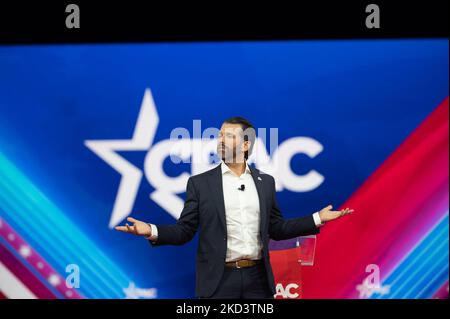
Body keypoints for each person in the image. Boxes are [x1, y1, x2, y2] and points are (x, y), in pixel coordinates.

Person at [116, 116, 353, 298]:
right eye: (219, 135)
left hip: (258, 280)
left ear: (246, 143)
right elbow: (184, 231)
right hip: (218, 282)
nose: (220, 140)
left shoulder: (265, 182)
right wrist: (151, 230)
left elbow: (277, 228)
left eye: (228, 136)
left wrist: (317, 218)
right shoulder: (200, 184)